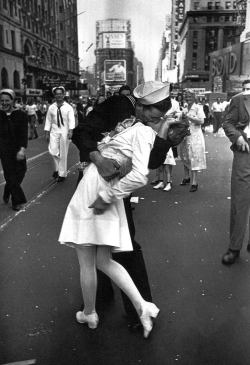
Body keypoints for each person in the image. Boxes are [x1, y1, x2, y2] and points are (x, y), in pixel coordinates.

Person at [59, 81, 179, 338]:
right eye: (152, 113)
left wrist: (167, 140)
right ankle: (101, 301)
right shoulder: (117, 104)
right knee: (98, 252)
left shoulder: (149, 125)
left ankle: (134, 308)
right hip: (97, 179)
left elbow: (150, 163)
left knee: (119, 247)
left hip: (115, 188)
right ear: (142, 105)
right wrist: (98, 158)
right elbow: (82, 132)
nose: (154, 118)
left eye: (160, 115)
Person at [221, 79, 250, 265]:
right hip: (245, 153)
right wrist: (238, 137)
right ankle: (234, 248)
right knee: (240, 201)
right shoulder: (239, 100)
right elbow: (227, 123)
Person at [0, 89, 28, 211]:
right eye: (2, 101)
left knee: (21, 171)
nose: (4, 103)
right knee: (10, 174)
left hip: (17, 149)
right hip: (3, 150)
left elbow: (23, 134)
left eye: (7, 100)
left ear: (13, 101)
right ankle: (17, 201)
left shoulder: (21, 115)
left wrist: (22, 150)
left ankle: (8, 189)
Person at [44, 86, 75, 182]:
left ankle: (62, 174)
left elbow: (71, 120)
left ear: (63, 95)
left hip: (64, 131)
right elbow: (48, 120)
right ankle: (57, 169)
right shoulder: (51, 107)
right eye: (57, 94)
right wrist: (46, 132)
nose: (59, 95)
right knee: (53, 151)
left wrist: (70, 131)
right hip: (54, 131)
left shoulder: (68, 107)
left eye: (60, 93)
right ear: (55, 95)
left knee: (63, 153)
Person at [179, 90, 206, 192]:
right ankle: (186, 177)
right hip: (185, 135)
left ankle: (194, 182)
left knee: (194, 157)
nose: (188, 98)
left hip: (195, 136)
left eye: (190, 96)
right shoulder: (185, 107)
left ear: (194, 97)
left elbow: (201, 121)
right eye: (186, 96)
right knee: (185, 156)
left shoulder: (198, 107)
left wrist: (189, 117)